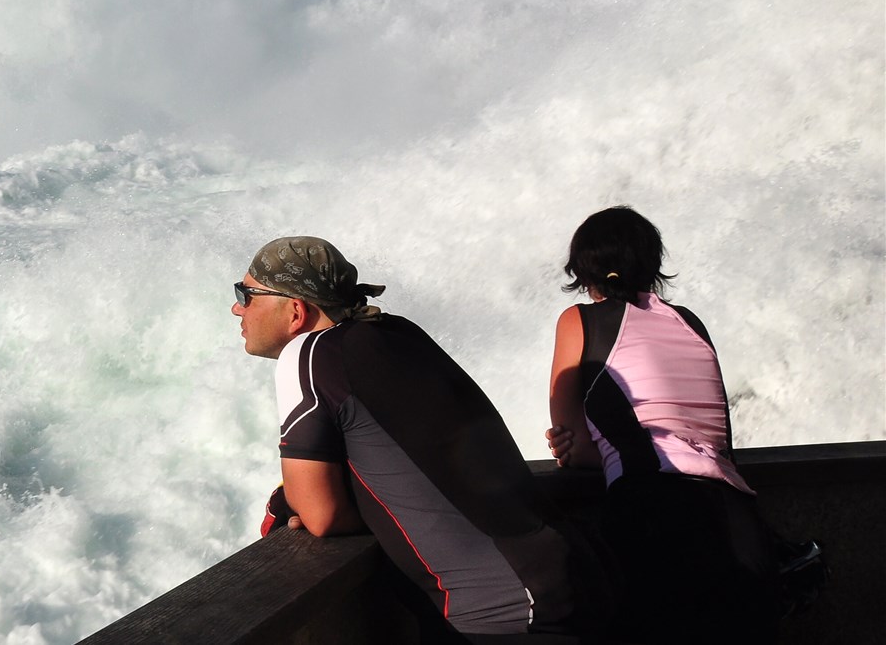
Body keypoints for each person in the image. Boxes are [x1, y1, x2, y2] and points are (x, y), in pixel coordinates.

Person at [235, 236, 611, 643]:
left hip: (504, 613)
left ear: (296, 311)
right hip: (577, 569)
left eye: (247, 294)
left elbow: (322, 515)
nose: (238, 307)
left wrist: (301, 501)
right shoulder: (395, 331)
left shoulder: (307, 353)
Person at [543, 206, 781, 643]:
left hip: (653, 510)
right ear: (651, 264)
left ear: (584, 270)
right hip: (740, 519)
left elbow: (573, 447)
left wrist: (593, 451)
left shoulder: (579, 321)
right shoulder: (690, 322)